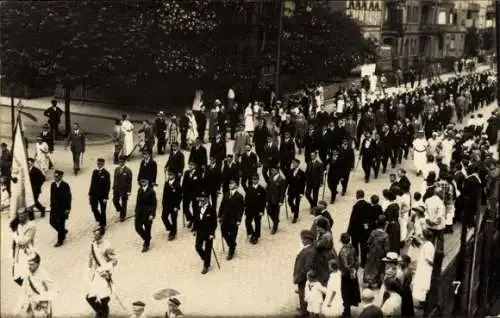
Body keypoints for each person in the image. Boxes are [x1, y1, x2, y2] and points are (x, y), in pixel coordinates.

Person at [86, 226, 118, 318]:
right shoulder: (93, 244)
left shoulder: (107, 245)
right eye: (94, 234)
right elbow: (91, 257)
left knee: (103, 297)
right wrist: (89, 268)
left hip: (104, 273)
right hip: (95, 273)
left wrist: (105, 269)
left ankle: (104, 314)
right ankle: (99, 310)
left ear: (101, 235)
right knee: (90, 297)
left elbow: (114, 261)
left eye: (97, 235)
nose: (94, 237)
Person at [17, 253, 57, 318]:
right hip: (30, 303)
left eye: (32, 264)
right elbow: (24, 288)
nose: (29, 266)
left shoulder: (44, 274)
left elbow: (52, 289)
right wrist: (22, 302)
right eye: (28, 264)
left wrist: (42, 301)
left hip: (41, 306)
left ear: (37, 264)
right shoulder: (28, 272)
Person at [218, 179, 244, 260]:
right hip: (225, 218)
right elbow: (222, 205)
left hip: (234, 219)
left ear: (236, 185)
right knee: (224, 233)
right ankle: (232, 245)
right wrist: (219, 215)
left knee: (233, 235)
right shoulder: (226, 194)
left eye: (232, 184)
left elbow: (241, 209)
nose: (230, 185)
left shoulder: (239, 196)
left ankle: (231, 251)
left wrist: (239, 220)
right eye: (229, 184)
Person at [193, 192, 217, 274]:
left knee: (208, 249)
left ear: (207, 200)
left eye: (204, 199)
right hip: (200, 231)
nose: (202, 201)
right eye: (201, 199)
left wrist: (212, 234)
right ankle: (204, 257)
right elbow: (196, 219)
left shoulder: (211, 210)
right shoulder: (198, 208)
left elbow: (214, 224)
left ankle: (206, 265)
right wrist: (194, 229)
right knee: (197, 246)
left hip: (208, 232)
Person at [11, 208, 36, 286]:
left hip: (27, 252)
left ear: (27, 215)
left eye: (22, 215)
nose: (20, 217)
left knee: (27, 275)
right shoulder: (19, 225)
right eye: (19, 215)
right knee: (16, 277)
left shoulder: (31, 225)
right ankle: (29, 289)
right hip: (18, 253)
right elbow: (17, 242)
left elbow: (23, 241)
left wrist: (14, 234)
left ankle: (32, 291)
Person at [364, 215, 390, 289]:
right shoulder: (385, 236)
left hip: (372, 253)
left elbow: (368, 242)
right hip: (381, 255)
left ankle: (370, 283)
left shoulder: (373, 232)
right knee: (381, 268)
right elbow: (387, 248)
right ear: (385, 224)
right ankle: (379, 283)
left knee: (371, 268)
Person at [347, 190, 372, 267]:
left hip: (356, 231)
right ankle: (363, 262)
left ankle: (356, 260)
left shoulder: (356, 206)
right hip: (365, 231)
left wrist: (349, 231)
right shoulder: (368, 205)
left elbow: (352, 220)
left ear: (357, 196)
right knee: (363, 247)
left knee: (355, 246)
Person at [338, 233, 361, 316]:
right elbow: (356, 260)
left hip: (346, 275)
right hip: (353, 273)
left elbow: (345, 264)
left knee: (346, 292)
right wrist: (355, 270)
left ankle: (346, 312)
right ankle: (348, 309)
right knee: (352, 291)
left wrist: (348, 270)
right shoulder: (352, 248)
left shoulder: (343, 251)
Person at [413, 229, 435, 305]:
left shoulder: (428, 246)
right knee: (422, 284)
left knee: (424, 285)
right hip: (423, 267)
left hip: (425, 268)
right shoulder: (427, 244)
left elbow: (429, 260)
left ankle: (423, 302)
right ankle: (422, 301)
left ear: (425, 236)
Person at [50, 170, 71, 247]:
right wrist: (51, 205)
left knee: (61, 224)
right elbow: (51, 196)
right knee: (52, 222)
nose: (55, 178)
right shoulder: (52, 185)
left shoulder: (65, 185)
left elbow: (68, 198)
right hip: (54, 208)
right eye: (55, 176)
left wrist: (68, 209)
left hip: (63, 208)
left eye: (57, 176)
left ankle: (60, 240)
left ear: (61, 177)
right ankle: (63, 232)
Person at [89, 158, 111, 234]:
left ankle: (103, 224)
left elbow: (107, 186)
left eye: (100, 164)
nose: (99, 165)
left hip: (102, 196)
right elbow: (92, 183)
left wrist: (106, 197)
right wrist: (90, 194)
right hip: (94, 194)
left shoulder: (106, 174)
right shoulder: (95, 172)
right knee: (94, 208)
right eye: (98, 163)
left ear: (103, 164)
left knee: (103, 210)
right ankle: (100, 220)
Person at [135, 178, 157, 252]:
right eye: (142, 181)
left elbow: (154, 204)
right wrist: (136, 211)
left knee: (147, 229)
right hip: (140, 213)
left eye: (144, 181)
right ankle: (147, 238)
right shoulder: (139, 190)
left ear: (147, 182)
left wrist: (152, 214)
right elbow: (137, 202)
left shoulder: (151, 191)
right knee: (137, 227)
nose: (143, 182)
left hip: (148, 213)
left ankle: (146, 245)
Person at [245, 174, 266, 244]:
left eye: (256, 179)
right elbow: (246, 199)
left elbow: (263, 202)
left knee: (257, 223)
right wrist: (246, 208)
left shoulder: (262, 189)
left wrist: (262, 211)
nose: (254, 180)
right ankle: (252, 233)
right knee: (247, 222)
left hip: (258, 210)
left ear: (258, 180)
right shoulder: (249, 188)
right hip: (250, 210)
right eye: (253, 179)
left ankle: (256, 236)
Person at [162, 170, 182, 241]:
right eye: (169, 175)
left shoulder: (177, 184)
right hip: (167, 204)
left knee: (174, 219)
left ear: (174, 176)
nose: (169, 176)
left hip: (174, 205)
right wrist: (163, 203)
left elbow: (179, 196)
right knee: (164, 217)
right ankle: (170, 228)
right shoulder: (166, 183)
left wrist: (177, 206)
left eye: (171, 175)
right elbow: (164, 194)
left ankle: (173, 233)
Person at [266, 167, 286, 235]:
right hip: (270, 198)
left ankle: (275, 228)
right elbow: (268, 187)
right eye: (271, 170)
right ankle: (276, 221)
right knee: (269, 211)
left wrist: (281, 201)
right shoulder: (271, 177)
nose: (272, 171)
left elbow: (282, 192)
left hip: (277, 199)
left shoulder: (281, 180)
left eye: (273, 170)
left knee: (276, 212)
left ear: (277, 171)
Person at [113, 156, 133, 222]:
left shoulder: (128, 171)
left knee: (124, 202)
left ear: (124, 162)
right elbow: (115, 179)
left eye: (122, 162)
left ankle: (122, 216)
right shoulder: (116, 169)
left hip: (124, 189)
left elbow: (130, 182)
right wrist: (114, 187)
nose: (120, 163)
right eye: (120, 162)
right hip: (117, 188)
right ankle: (121, 210)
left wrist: (129, 191)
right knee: (115, 201)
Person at [287, 158, 306, 223]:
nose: (293, 164)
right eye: (293, 163)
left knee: (297, 204)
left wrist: (302, 193)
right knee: (289, 201)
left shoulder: (302, 173)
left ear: (298, 164)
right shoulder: (290, 171)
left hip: (298, 191)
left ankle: (295, 217)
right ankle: (294, 209)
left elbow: (303, 184)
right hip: (291, 189)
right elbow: (288, 181)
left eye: (294, 163)